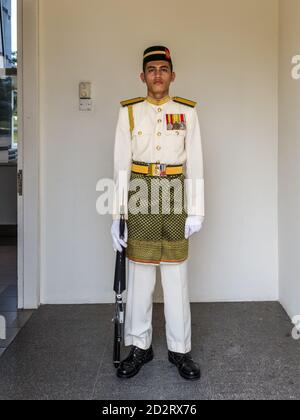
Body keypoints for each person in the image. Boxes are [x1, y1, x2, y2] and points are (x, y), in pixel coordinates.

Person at [111, 46, 205, 380]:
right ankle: (140, 346)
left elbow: (195, 162)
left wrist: (197, 210)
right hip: (140, 192)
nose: (157, 75)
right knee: (139, 276)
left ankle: (180, 351)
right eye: (151, 69)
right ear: (142, 77)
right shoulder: (130, 113)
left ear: (172, 75)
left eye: (163, 68)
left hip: (176, 192)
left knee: (176, 277)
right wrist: (117, 215)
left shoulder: (187, 112)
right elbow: (121, 165)